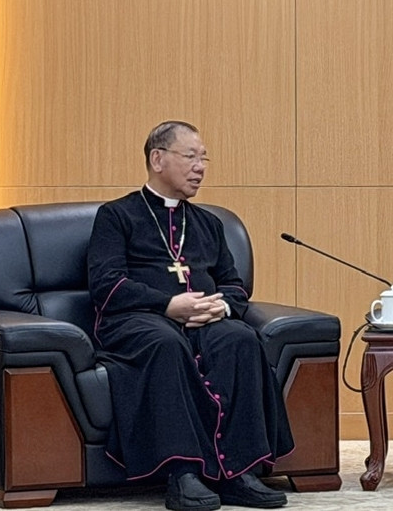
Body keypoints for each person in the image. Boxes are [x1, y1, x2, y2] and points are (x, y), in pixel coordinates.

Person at [88, 121, 293, 511]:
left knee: (240, 338)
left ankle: (238, 471)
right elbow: (107, 284)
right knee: (166, 343)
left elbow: (234, 284)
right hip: (137, 320)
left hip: (204, 320)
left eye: (205, 159)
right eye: (191, 157)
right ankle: (182, 473)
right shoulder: (116, 216)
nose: (201, 167)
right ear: (157, 159)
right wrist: (167, 306)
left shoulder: (209, 224)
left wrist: (224, 306)